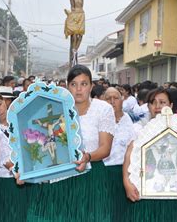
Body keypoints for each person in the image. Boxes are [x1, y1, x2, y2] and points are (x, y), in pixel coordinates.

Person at [26, 65, 116, 220]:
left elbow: (105, 149)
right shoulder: (55, 109)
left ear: (91, 86)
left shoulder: (103, 109)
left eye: (84, 84)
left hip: (91, 175)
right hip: (60, 175)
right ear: (67, 86)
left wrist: (86, 157)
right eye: (74, 84)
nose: (79, 89)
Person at [122, 88, 177, 221]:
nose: (157, 106)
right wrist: (127, 182)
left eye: (162, 102)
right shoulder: (140, 129)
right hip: (148, 196)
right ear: (148, 106)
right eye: (153, 102)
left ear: (171, 106)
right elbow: (129, 156)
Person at [43, 0, 106, 64]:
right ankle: (73, 49)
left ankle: (76, 49)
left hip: (81, 14)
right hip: (73, 14)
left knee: (80, 34)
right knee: (73, 33)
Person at [0, 91, 28, 221]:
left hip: (24, 179)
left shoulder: (19, 121)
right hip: (1, 181)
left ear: (5, 102)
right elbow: (0, 155)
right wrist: (13, 168)